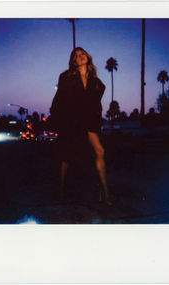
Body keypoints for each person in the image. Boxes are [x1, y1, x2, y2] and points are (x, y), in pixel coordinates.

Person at [50, 47, 112, 205]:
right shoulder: (66, 77)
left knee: (100, 151)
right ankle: (61, 190)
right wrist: (58, 117)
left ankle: (105, 192)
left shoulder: (96, 81)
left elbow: (97, 98)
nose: (80, 56)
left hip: (89, 120)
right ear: (73, 61)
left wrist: (96, 113)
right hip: (71, 120)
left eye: (82, 54)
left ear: (87, 57)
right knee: (67, 156)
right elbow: (59, 98)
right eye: (77, 56)